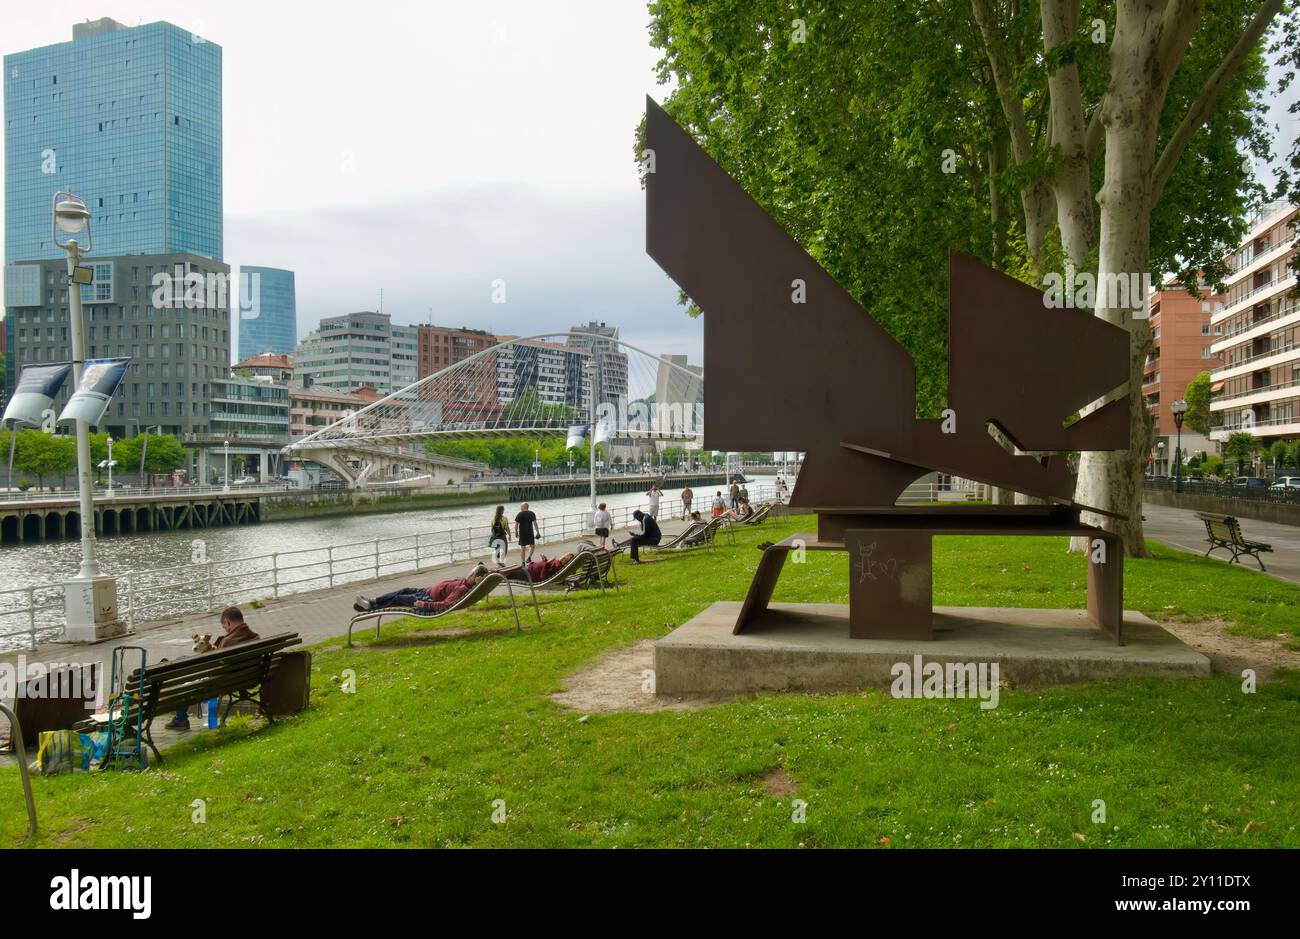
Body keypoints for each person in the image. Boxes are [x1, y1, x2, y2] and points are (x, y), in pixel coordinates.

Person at [163, 606, 260, 731]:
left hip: (221, 680)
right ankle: (180, 718)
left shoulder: (228, 642)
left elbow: (214, 666)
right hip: (247, 676)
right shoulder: (255, 637)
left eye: (224, 626)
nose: (225, 629)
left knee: (178, 672)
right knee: (181, 660)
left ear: (228, 622)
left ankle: (181, 719)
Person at [355, 563, 490, 613]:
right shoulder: (464, 583)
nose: (469, 572)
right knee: (404, 590)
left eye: (472, 572)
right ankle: (373, 601)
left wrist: (423, 604)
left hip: (426, 599)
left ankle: (372, 606)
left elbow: (445, 605)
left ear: (474, 576)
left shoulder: (462, 589)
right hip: (425, 591)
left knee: (399, 598)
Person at [503, 553, 576, 583]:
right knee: (510, 569)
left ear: (566, 562)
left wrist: (546, 563)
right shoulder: (558, 564)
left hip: (529, 574)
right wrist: (545, 561)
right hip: (529, 569)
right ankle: (498, 572)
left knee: (507, 574)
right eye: (563, 555)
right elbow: (548, 569)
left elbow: (543, 576)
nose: (562, 557)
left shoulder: (558, 567)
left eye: (564, 558)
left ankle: (496, 574)